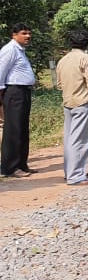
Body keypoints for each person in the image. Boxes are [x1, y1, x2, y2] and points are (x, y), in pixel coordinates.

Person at [55, 30, 88, 186]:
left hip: (67, 103)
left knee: (69, 139)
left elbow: (59, 85)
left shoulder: (63, 60)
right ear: (87, 43)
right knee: (80, 140)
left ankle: (71, 172)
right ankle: (76, 176)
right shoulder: (85, 58)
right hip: (83, 102)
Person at [1, 23, 38, 179]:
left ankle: (22, 164)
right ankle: (10, 167)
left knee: (22, 129)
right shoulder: (9, 50)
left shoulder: (20, 51)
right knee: (13, 129)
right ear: (14, 35)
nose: (27, 36)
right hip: (13, 92)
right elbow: (0, 72)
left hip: (23, 92)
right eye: (24, 33)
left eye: (29, 33)